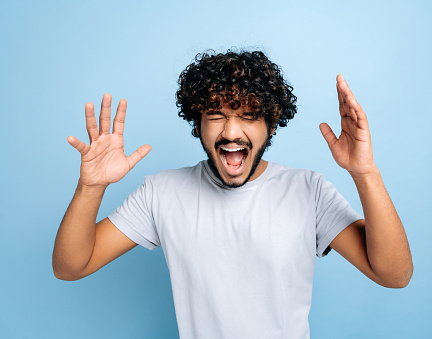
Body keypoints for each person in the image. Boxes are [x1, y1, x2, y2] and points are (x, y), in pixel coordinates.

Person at [53, 50, 413, 339]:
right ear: (197, 124)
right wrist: (92, 186)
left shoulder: (309, 190)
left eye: (249, 115)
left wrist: (365, 173)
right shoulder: (161, 193)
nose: (231, 131)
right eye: (215, 114)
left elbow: (393, 275)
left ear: (271, 124)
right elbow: (71, 267)